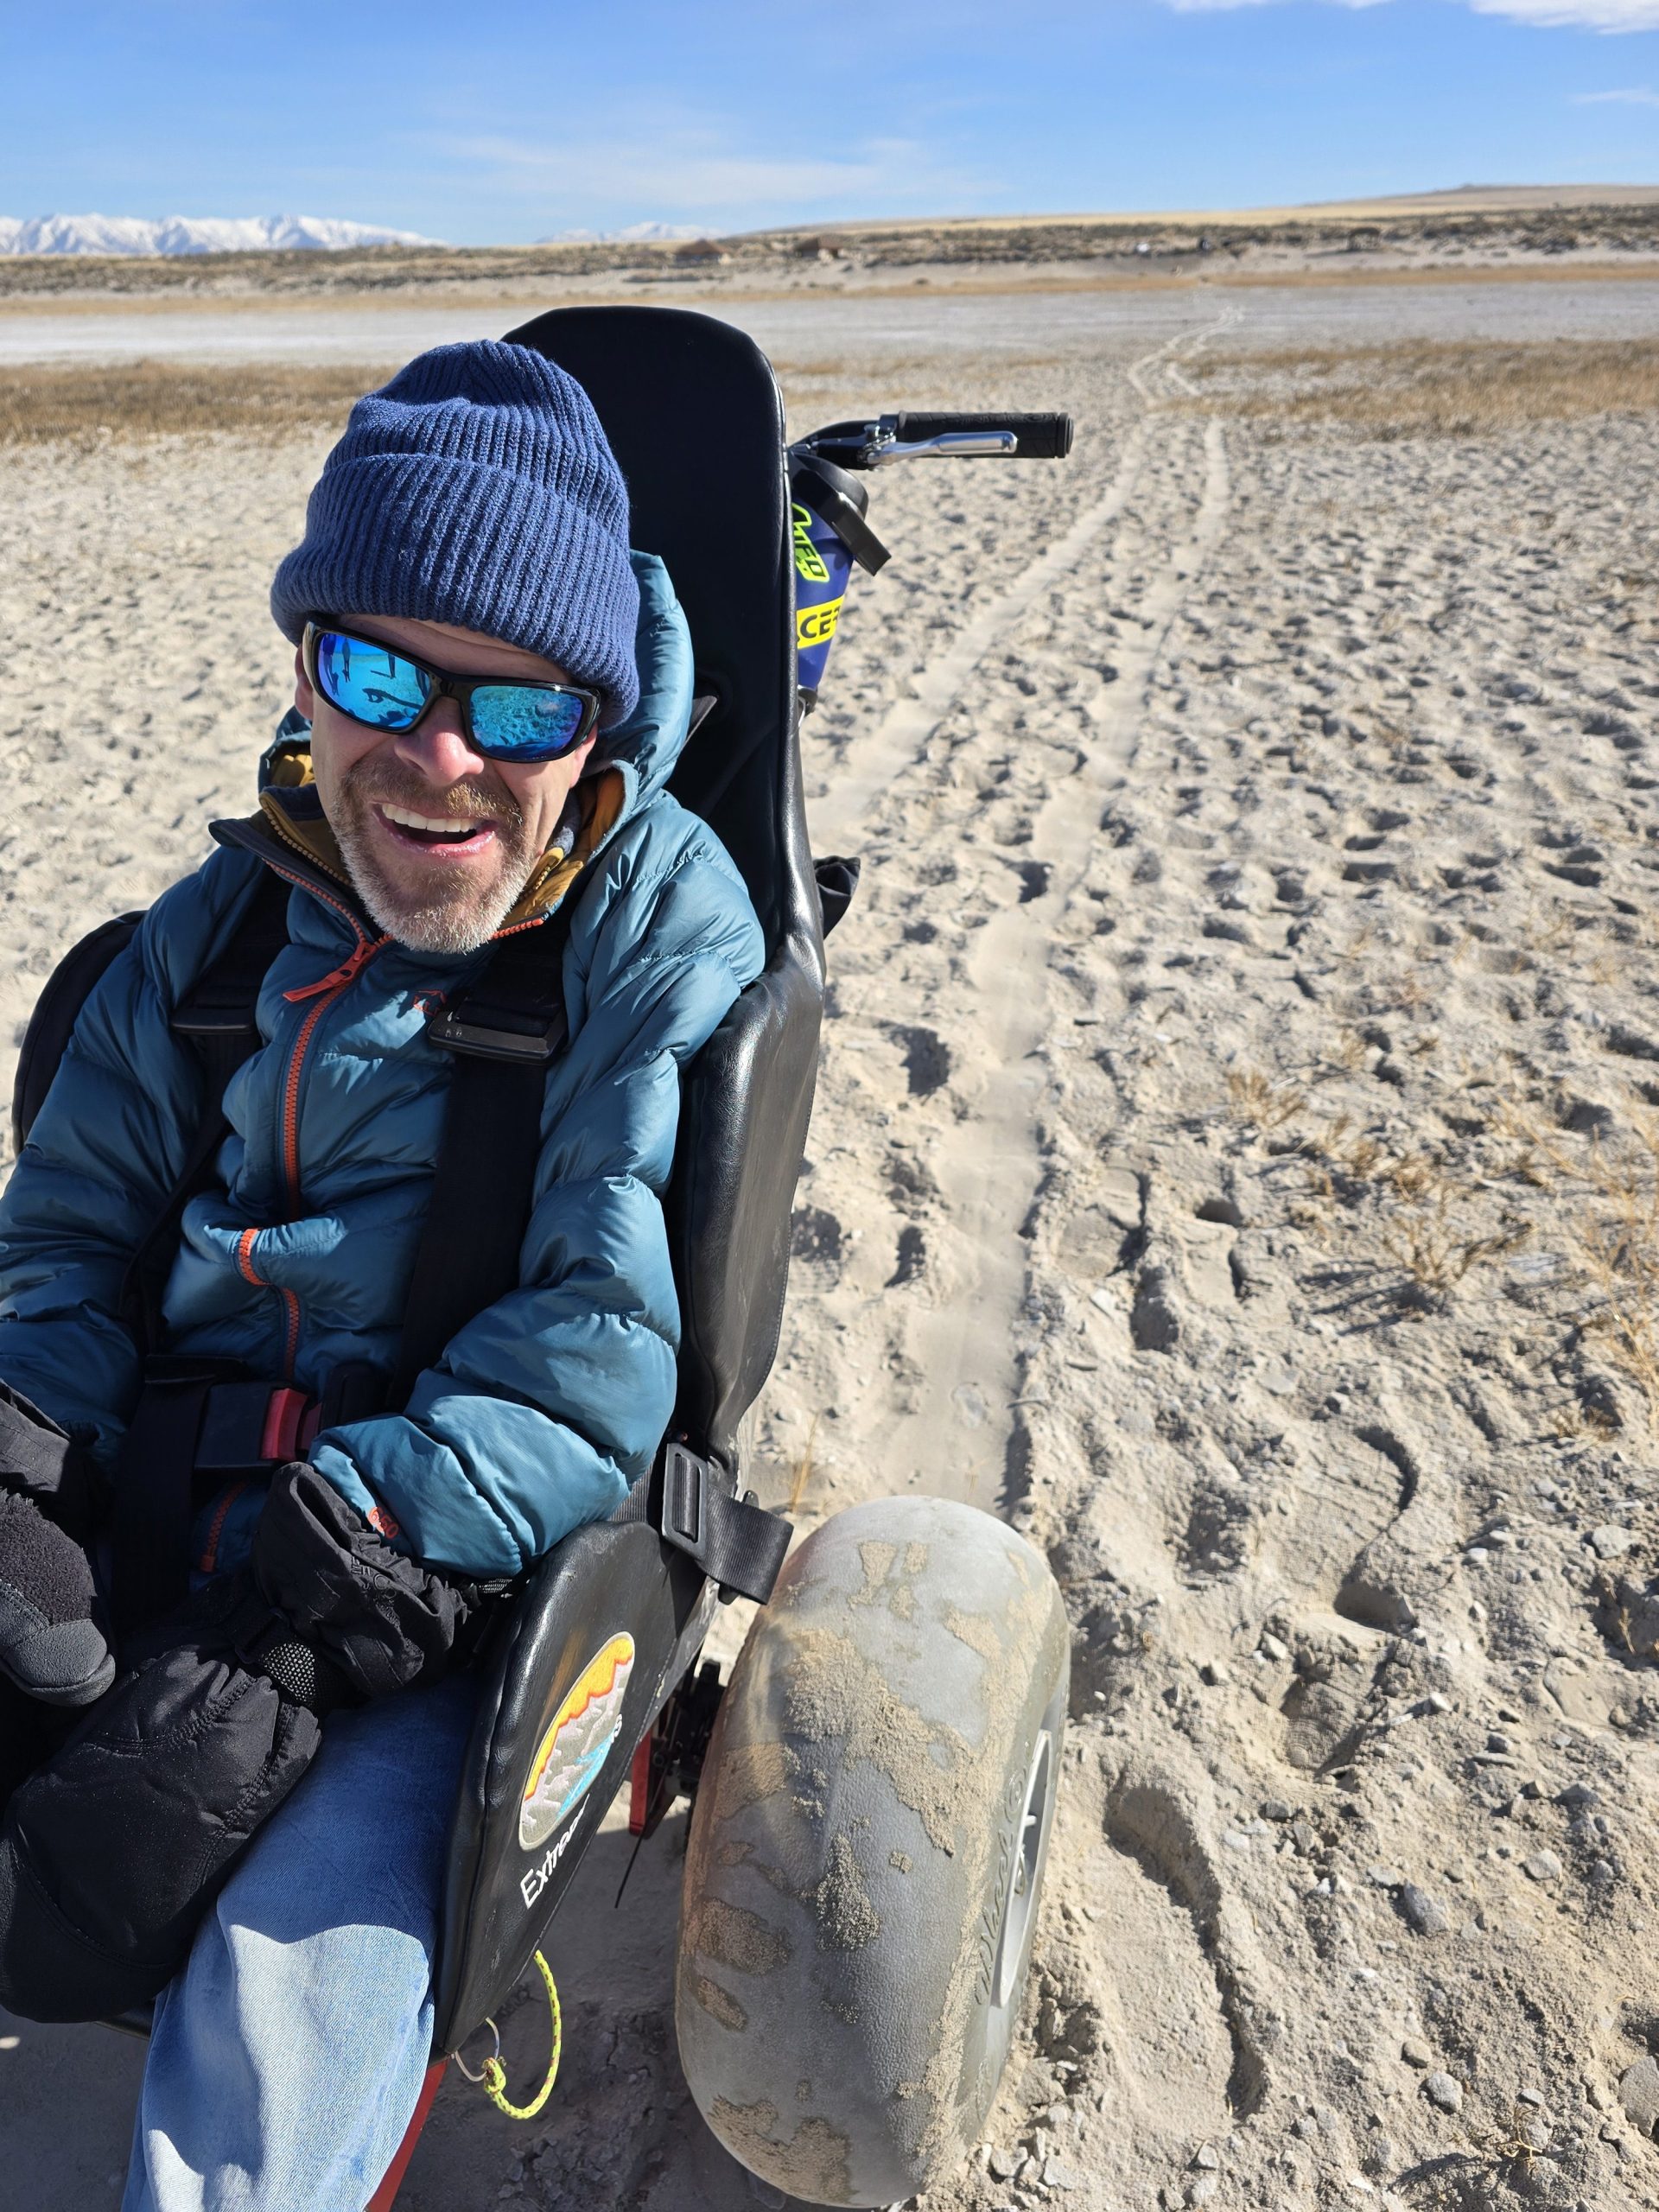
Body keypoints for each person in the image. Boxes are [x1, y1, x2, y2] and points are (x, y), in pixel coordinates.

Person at [0, 340, 765, 2209]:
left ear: (594, 720)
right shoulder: (210, 927)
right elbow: (68, 1238)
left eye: (515, 708)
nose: (436, 758)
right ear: (303, 666)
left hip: (440, 1580)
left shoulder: (650, 925)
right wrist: (23, 1450)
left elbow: (601, 1338)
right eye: (378, 674)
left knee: (268, 2035)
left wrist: (322, 1566)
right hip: (155, 1505)